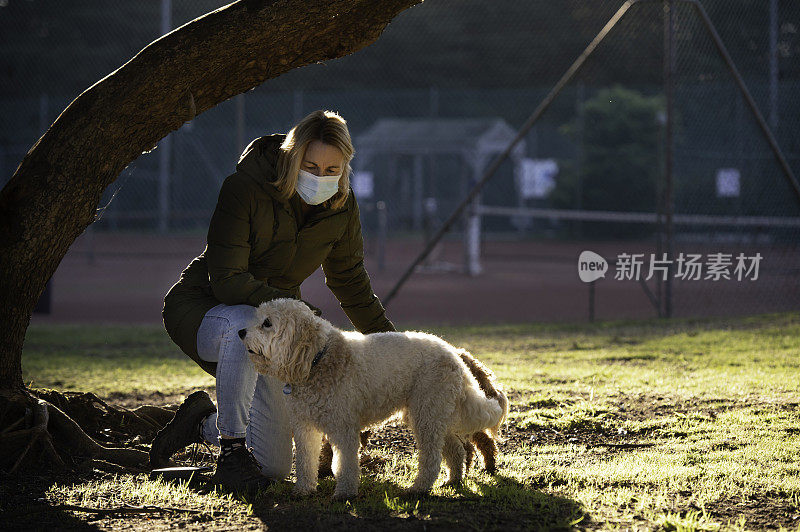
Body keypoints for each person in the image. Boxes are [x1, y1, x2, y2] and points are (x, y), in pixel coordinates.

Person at [152, 110, 395, 493]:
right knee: (242, 323)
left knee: (274, 466)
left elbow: (350, 282)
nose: (320, 177)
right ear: (292, 157)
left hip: (275, 324)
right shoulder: (243, 188)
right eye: (310, 165)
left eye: (333, 169)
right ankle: (231, 452)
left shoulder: (342, 206)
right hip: (204, 308)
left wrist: (393, 348)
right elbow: (229, 282)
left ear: (346, 166)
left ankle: (200, 422)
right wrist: (298, 313)